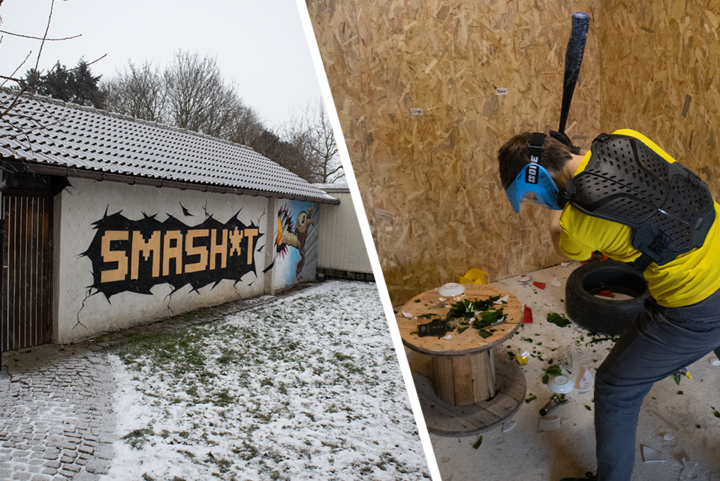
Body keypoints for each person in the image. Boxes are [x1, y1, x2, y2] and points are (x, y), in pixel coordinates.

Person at [497, 129, 720, 481]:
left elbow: (565, 245)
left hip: (696, 304)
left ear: (537, 181)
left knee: (616, 387)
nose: (536, 203)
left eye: (531, 197)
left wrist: (557, 206)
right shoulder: (626, 138)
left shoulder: (576, 222)